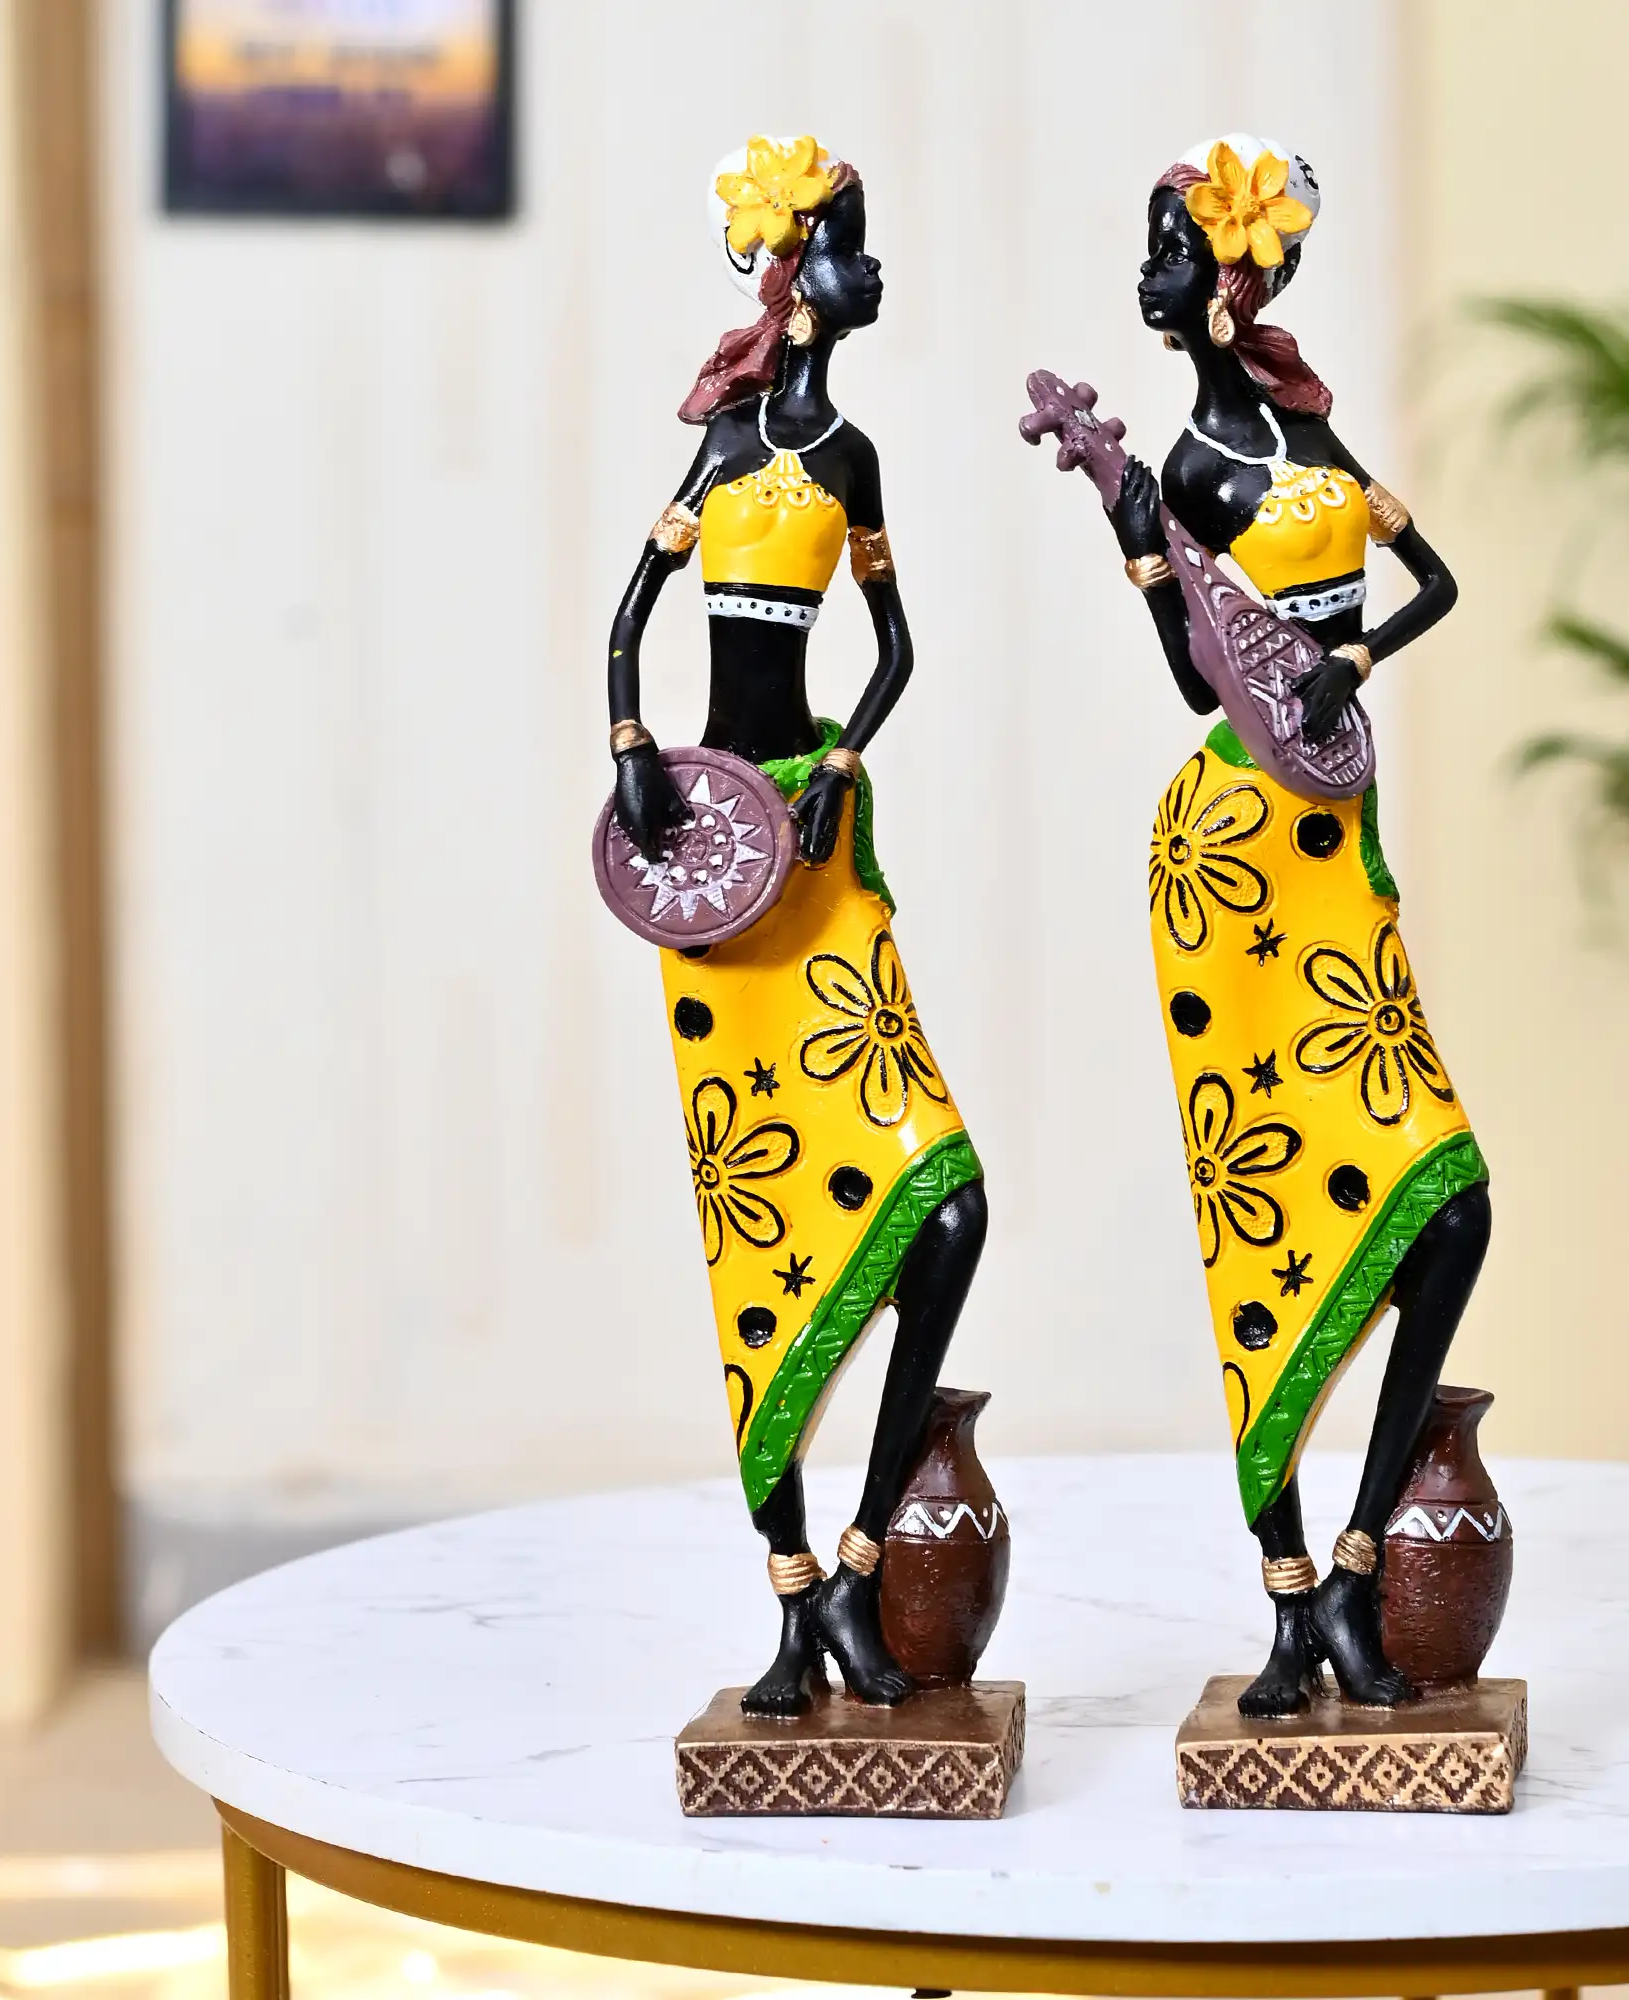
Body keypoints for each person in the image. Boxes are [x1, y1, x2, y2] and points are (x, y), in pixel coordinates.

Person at [1104, 136, 1491, 1712]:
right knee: (1260, 1212)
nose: (1165, 278)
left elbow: (1435, 584)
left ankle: (1352, 1562)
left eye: (1179, 249)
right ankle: (1289, 1599)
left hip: (1341, 843)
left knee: (1449, 1207)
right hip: (1233, 853)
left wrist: (1354, 662)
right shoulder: (1188, 472)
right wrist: (1135, 537)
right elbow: (1197, 680)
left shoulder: (1310, 428)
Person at [604, 137, 986, 1716]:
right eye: (846, 242)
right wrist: (632, 752)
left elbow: (893, 650)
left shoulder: (854, 461)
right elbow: (627, 623)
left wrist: (839, 762)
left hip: (817, 858)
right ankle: (792, 1595)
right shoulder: (720, 446)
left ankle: (857, 1548)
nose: (867, 266)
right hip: (714, 859)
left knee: (946, 1210)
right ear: (788, 272)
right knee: (756, 1231)